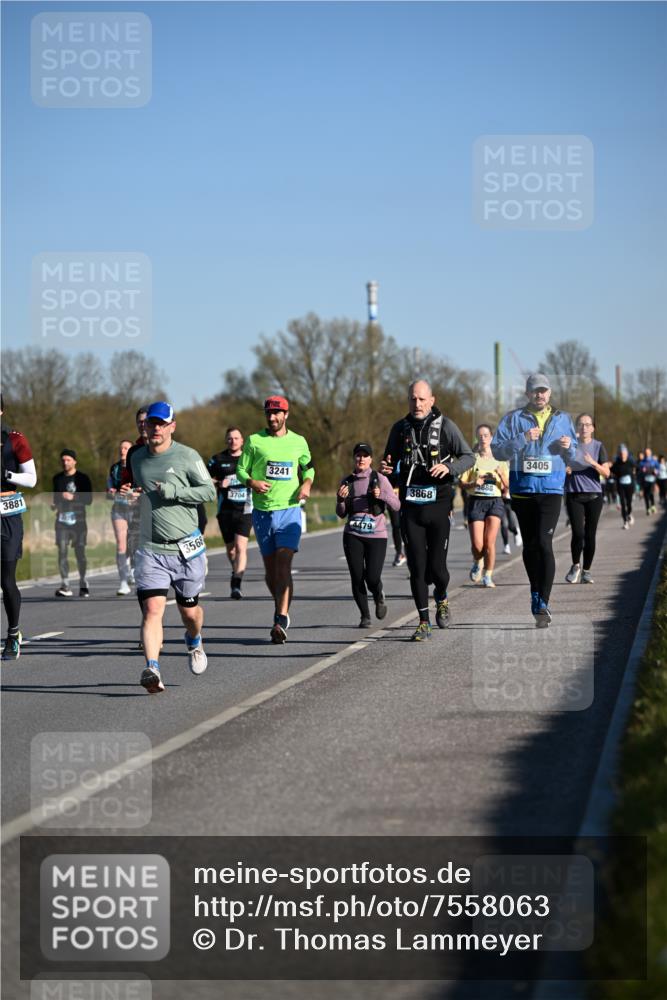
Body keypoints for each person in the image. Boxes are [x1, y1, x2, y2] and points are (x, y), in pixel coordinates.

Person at [129, 401, 216, 694]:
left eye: (161, 424)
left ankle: (194, 640)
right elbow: (136, 488)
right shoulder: (136, 458)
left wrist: (175, 491)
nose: (155, 428)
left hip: (186, 548)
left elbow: (209, 492)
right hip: (151, 548)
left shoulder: (187, 456)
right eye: (151, 423)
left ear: (172, 427)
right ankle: (152, 667)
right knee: (153, 609)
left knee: (189, 613)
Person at [381, 379, 474, 641]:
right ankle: (423, 621)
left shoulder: (446, 426)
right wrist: (387, 471)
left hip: (439, 505)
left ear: (432, 400)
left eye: (422, 399)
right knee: (418, 568)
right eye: (413, 399)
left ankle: (442, 598)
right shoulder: (399, 429)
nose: (417, 404)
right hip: (410, 507)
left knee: (437, 569)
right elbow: (389, 464)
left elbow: (469, 456)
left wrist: (450, 468)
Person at [491, 373, 576, 627]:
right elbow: (497, 450)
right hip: (523, 490)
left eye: (544, 391)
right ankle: (534, 592)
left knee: (544, 541)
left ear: (549, 393)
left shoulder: (563, 419)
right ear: (527, 394)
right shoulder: (513, 419)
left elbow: (574, 454)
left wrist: (568, 446)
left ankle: (544, 603)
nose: (540, 395)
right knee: (529, 545)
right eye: (535, 391)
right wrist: (522, 439)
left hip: (551, 490)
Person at [236, 395, 314, 644]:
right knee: (270, 572)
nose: (272, 418)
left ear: (286, 414)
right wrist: (252, 482)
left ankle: (281, 617)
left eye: (277, 413)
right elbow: (240, 469)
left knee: (284, 562)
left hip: (289, 509)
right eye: (268, 413)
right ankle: (279, 604)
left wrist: (307, 484)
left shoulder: (298, 441)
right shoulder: (254, 441)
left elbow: (309, 467)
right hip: (262, 512)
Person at [336, 443, 400, 626]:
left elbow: (396, 505)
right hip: (353, 534)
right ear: (354, 458)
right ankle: (365, 615)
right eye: (358, 455)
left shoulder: (380, 479)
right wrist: (341, 500)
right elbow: (340, 513)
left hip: (377, 536)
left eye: (365, 456)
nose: (361, 459)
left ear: (371, 459)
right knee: (357, 577)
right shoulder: (347, 481)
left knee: (372, 577)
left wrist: (381, 496)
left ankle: (378, 594)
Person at [1, 396, 37, 660]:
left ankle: (13, 634)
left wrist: (8, 475)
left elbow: (32, 479)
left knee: (6, 580)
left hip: (7, 515)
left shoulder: (14, 439)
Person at [459, 423, 509, 588]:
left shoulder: (500, 459)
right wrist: (475, 482)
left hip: (495, 501)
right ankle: (477, 561)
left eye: (486, 435)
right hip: (476, 501)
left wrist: (501, 475)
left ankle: (488, 574)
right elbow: (462, 483)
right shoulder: (472, 459)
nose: (483, 438)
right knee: (477, 545)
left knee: (489, 542)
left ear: (491, 437)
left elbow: (508, 486)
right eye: (480, 436)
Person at [564, 414, 611, 585]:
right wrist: (566, 469)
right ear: (577, 427)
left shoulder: (599, 447)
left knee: (590, 535)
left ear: (593, 428)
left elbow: (606, 473)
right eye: (581, 424)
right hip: (574, 495)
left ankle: (587, 571)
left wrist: (593, 462)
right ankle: (575, 565)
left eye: (587, 424)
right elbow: (560, 466)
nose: (584, 427)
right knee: (578, 533)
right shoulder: (570, 446)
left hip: (593, 496)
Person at [208, 427, 253, 599]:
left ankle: (236, 583)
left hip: (245, 509)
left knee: (241, 547)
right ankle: (235, 571)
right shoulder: (217, 459)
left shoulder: (249, 459)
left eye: (236, 438)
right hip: (225, 510)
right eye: (230, 438)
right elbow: (204, 479)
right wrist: (219, 483)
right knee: (231, 551)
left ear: (242, 441)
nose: (233, 441)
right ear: (226, 440)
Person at [52, 449, 93, 598]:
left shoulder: (82, 478)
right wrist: (55, 504)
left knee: (79, 553)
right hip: (62, 521)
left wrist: (73, 497)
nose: (65, 462)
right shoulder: (57, 479)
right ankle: (65, 584)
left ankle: (83, 582)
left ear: (74, 461)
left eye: (68, 460)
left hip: (79, 521)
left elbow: (89, 500)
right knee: (62, 552)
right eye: (63, 460)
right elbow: (55, 499)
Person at [107, 439, 137, 595]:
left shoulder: (138, 465)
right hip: (119, 509)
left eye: (126, 448)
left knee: (135, 543)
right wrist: (111, 491)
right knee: (121, 545)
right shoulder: (114, 468)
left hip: (137, 509)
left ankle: (134, 570)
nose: (122, 450)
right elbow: (109, 488)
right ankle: (123, 582)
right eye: (121, 448)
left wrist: (135, 493)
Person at [610, 445, 635, 529]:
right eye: (621, 454)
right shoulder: (616, 463)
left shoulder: (630, 462)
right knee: (623, 504)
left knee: (629, 503)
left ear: (627, 454)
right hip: (621, 486)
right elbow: (611, 471)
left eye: (624, 453)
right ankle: (625, 522)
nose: (622, 455)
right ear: (619, 455)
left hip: (630, 486)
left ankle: (629, 514)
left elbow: (636, 468)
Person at [637, 447, 659, 515]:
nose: (647, 454)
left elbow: (658, 468)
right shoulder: (642, 462)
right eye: (646, 453)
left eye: (648, 452)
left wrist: (656, 471)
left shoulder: (654, 461)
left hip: (652, 480)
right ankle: (648, 508)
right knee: (646, 495)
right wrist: (642, 471)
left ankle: (653, 505)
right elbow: (639, 472)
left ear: (650, 453)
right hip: (645, 480)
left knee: (651, 493)